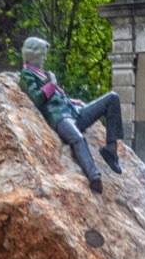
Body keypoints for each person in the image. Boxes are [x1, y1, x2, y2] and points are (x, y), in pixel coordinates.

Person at [18, 36, 122, 193]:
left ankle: (111, 150)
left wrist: (75, 102)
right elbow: (36, 98)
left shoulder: (44, 73)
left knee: (112, 98)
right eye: (43, 54)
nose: (45, 58)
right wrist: (52, 83)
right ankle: (94, 177)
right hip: (59, 117)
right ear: (33, 55)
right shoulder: (27, 74)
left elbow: (59, 96)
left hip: (74, 111)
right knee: (78, 138)